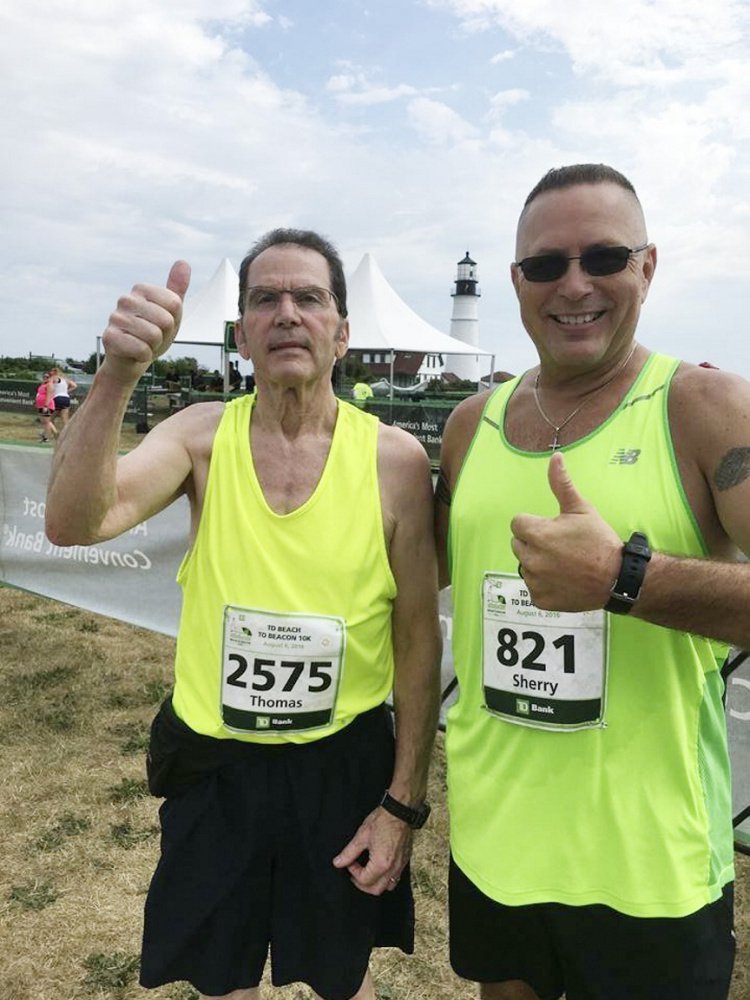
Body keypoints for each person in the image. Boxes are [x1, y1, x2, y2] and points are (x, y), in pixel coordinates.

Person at [45, 228, 441, 1000]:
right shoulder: (200, 436)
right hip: (216, 767)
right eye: (265, 300)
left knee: (342, 977)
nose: (287, 313)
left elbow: (418, 640)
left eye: (309, 298)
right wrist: (119, 372)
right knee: (220, 978)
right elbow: (73, 522)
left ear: (343, 333)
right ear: (242, 336)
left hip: (339, 769)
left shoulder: (394, 460)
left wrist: (402, 804)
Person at [435, 164, 749, 1000]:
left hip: (649, 865)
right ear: (515, 281)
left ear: (648, 267)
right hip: (497, 842)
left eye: (604, 257)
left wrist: (625, 578)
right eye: (546, 265)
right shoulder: (469, 426)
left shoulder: (704, 406)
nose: (574, 285)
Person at [35, 371, 58, 442]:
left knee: (46, 422)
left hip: (47, 406)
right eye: (44, 377)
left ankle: (47, 437)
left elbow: (49, 396)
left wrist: (46, 406)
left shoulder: (49, 385)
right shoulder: (43, 384)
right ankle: (53, 435)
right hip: (40, 405)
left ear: (50, 378)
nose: (45, 378)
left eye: (47, 377)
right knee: (43, 421)